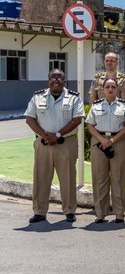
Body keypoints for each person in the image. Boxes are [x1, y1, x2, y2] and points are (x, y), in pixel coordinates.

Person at [24, 69, 84, 223]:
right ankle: (39, 211)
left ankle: (69, 210)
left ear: (65, 80)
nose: (56, 80)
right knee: (41, 177)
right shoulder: (37, 97)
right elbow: (30, 119)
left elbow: (77, 120)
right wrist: (46, 136)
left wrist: (57, 135)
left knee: (68, 178)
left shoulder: (73, 98)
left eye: (59, 77)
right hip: (43, 144)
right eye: (53, 77)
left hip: (65, 143)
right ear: (48, 80)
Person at [85, 77, 125, 224]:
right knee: (99, 178)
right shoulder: (96, 105)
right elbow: (90, 125)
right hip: (99, 142)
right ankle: (100, 213)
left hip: (118, 142)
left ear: (117, 89)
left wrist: (112, 141)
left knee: (119, 178)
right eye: (107, 87)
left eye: (113, 87)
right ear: (103, 89)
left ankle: (119, 214)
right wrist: (102, 140)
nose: (110, 89)